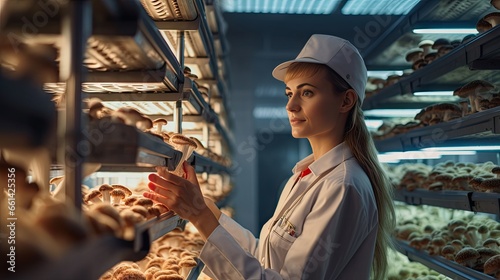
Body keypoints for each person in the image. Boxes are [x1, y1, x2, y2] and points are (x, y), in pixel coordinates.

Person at [144, 34, 395, 280]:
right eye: (289, 93)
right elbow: (264, 257)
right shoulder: (305, 176)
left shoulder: (343, 186)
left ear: (346, 101)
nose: (291, 105)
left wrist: (201, 217)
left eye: (307, 93)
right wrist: (209, 211)